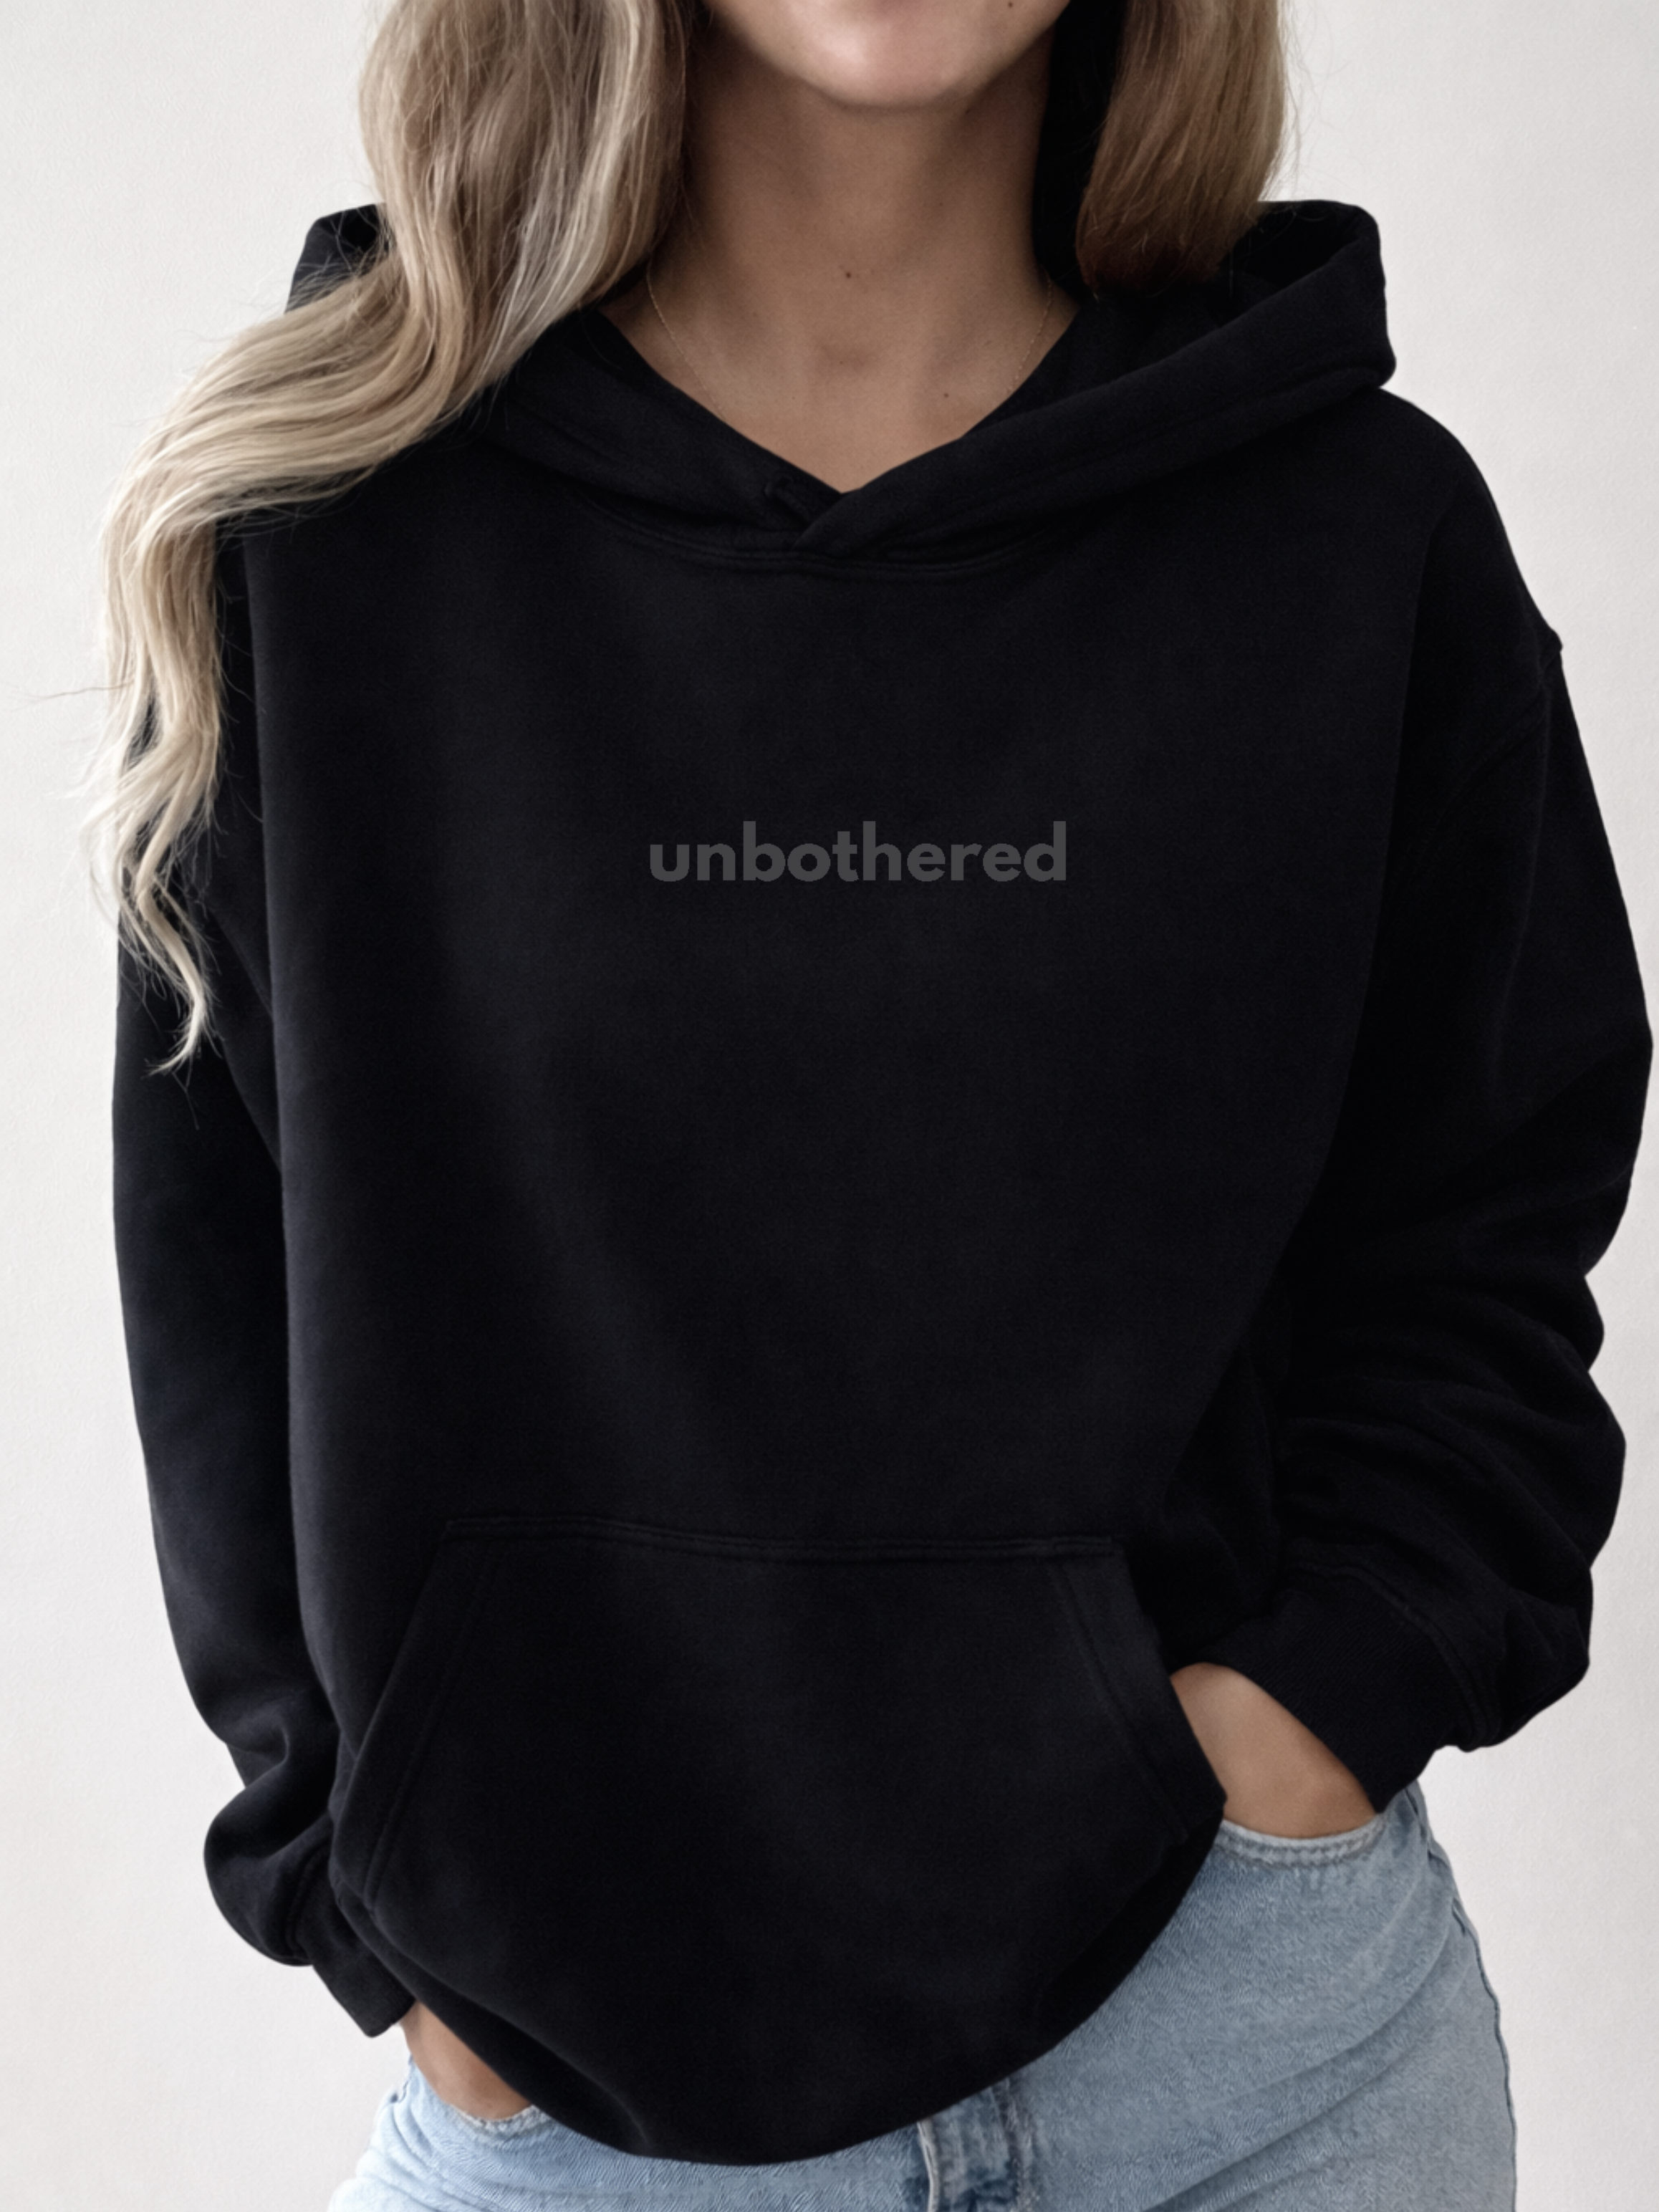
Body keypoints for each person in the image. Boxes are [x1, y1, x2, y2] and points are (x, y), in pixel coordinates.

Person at [98, 1, 1649, 2206]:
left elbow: (1482, 1218)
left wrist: (1298, 1727)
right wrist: (355, 1901)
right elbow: (219, 1289)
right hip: (585, 2080)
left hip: (1253, 2067)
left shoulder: (1349, 527)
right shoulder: (325, 540)